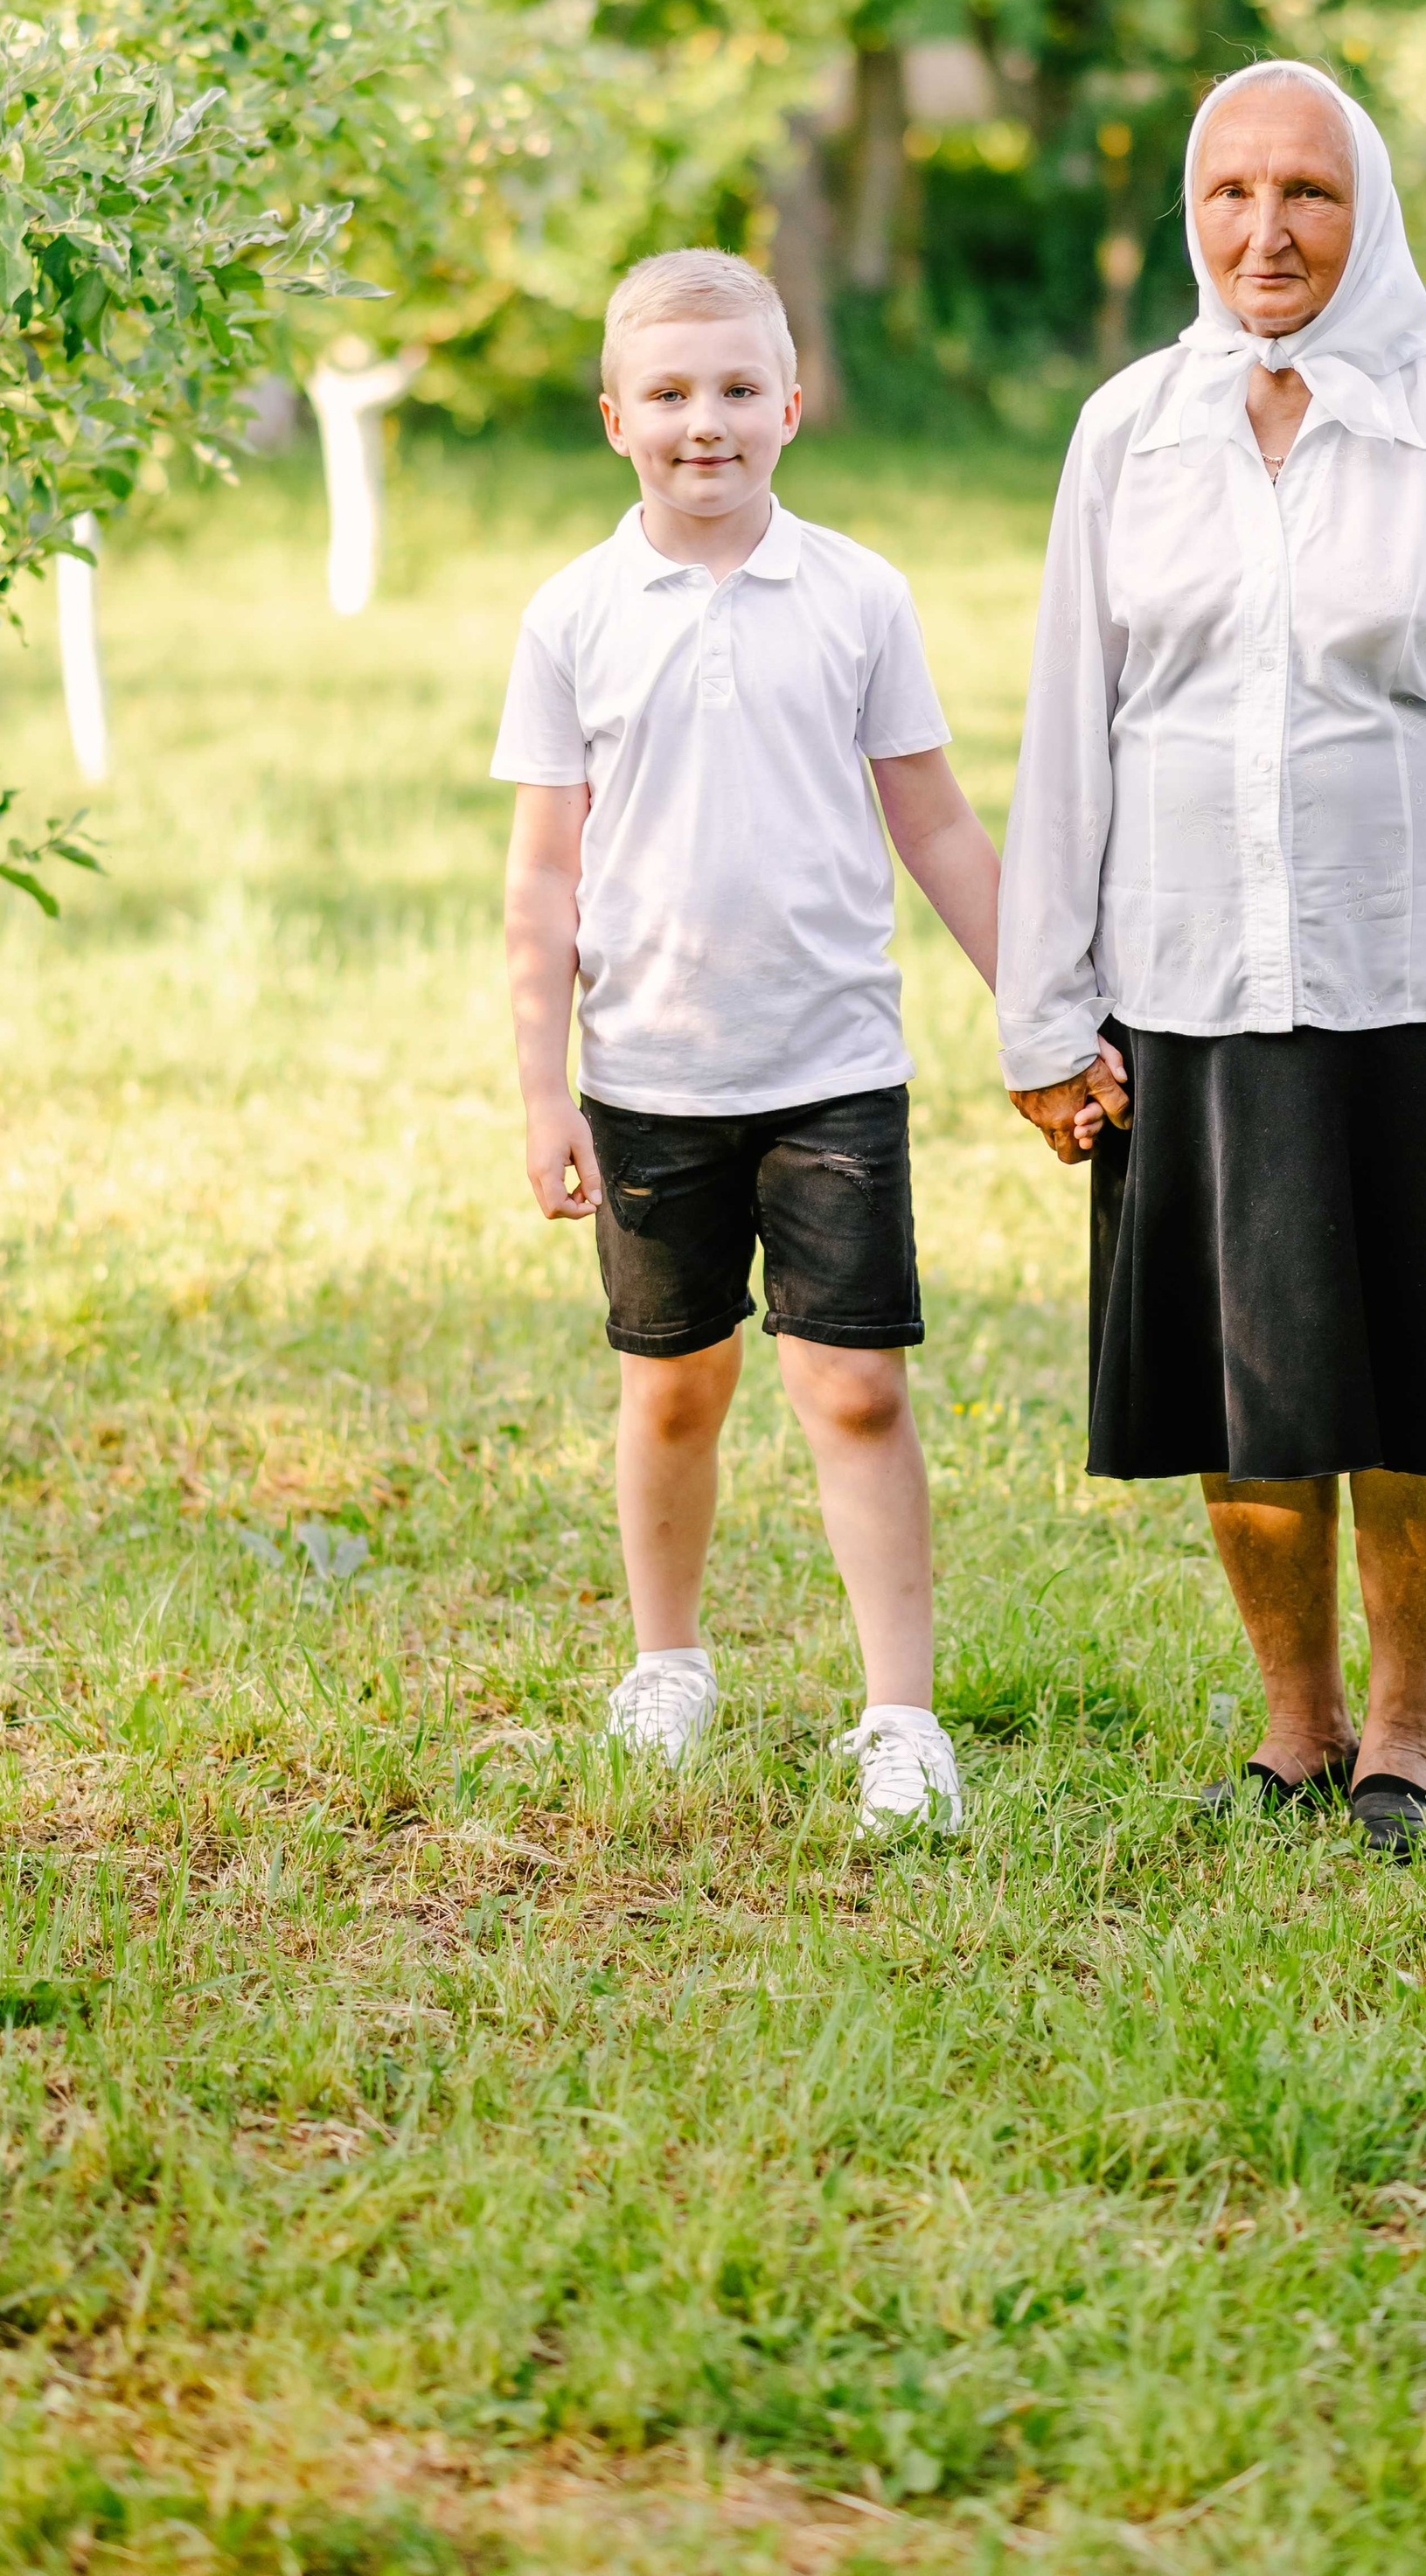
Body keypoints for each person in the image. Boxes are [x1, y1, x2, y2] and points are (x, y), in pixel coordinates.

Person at [997, 59, 1426, 1857]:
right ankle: (1292, 1723)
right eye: (1228, 194)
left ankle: (1407, 1729)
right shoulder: (1127, 430)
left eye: (1306, 193)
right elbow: (1069, 730)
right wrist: (1045, 1013)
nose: (1264, 231)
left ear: (1367, 212)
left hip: (1423, 986)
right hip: (1193, 985)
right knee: (1245, 1377)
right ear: (1187, 215)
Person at [492, 248, 1000, 1832]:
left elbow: (933, 821)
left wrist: (1047, 1005)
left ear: (790, 404)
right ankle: (669, 1662)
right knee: (673, 1387)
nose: (701, 422)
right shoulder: (574, 614)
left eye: (732, 391)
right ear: (614, 419)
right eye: (667, 395)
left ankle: (900, 1716)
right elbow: (542, 878)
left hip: (832, 1066)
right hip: (646, 1075)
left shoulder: (857, 593)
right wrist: (539, 1093)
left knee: (853, 1390)